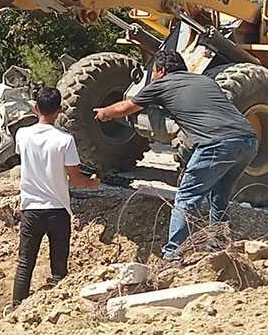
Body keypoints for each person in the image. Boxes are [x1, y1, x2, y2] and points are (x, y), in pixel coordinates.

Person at [93, 50, 257, 260]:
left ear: (161, 70)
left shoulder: (162, 84)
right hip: (248, 141)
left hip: (217, 144)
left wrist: (104, 113)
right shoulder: (205, 81)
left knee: (186, 197)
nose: (152, 77)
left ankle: (173, 255)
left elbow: (127, 107)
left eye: (153, 72)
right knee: (220, 195)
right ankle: (219, 246)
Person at [7, 87, 100, 314]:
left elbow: (25, 158)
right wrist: (93, 183)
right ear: (60, 110)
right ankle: (57, 309)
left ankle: (16, 307)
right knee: (59, 266)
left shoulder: (23, 135)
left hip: (30, 209)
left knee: (25, 263)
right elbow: (76, 179)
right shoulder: (65, 140)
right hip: (57, 210)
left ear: (36, 107)